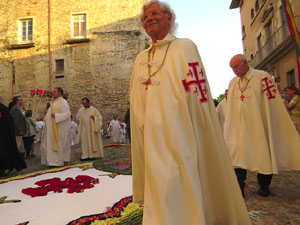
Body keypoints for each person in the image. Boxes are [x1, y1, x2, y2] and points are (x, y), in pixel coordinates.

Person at [129, 1, 251, 225]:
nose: (149, 19)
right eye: (145, 17)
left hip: (179, 129)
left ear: (170, 18)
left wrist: (193, 123)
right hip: (150, 133)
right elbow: (136, 98)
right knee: (157, 180)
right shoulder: (140, 58)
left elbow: (198, 92)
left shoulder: (184, 46)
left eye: (154, 13)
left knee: (179, 177)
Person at [224, 54, 300, 197]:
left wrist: (268, 122)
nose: (234, 70)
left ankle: (264, 186)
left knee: (263, 153)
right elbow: (231, 106)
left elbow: (271, 102)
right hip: (239, 127)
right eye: (232, 68)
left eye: (236, 66)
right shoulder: (233, 82)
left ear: (245, 63)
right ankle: (239, 188)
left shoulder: (262, 77)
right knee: (237, 155)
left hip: (259, 124)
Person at [41, 87, 71, 167]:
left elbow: (67, 114)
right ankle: (51, 161)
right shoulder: (55, 102)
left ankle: (57, 162)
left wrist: (56, 116)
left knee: (57, 144)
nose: (53, 93)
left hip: (57, 129)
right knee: (50, 145)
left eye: (54, 92)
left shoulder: (63, 102)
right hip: (51, 129)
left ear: (59, 93)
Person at [0, 101, 26, 176]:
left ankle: (6, 168)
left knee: (4, 152)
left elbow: (7, 122)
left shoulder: (2, 108)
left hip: (3, 135)